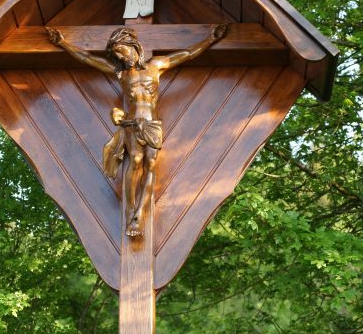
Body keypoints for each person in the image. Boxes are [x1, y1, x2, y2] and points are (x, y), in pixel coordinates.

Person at [47, 23, 228, 237]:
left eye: (121, 51)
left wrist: (211, 39)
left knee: (150, 164)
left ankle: (139, 214)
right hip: (132, 124)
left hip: (152, 124)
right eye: (117, 55)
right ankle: (130, 210)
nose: (121, 57)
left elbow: (187, 54)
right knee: (135, 161)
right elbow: (87, 58)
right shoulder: (121, 73)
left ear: (131, 45)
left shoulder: (156, 66)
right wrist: (63, 43)